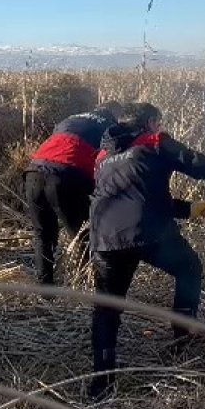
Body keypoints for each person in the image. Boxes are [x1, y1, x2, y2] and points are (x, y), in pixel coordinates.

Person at [87, 102, 205, 401]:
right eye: (158, 122)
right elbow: (199, 166)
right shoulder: (155, 142)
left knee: (106, 307)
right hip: (148, 234)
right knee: (189, 268)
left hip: (105, 236)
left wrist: (189, 209)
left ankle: (100, 383)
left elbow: (139, 196)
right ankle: (184, 336)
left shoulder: (104, 157)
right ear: (152, 122)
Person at [22, 101, 123, 284]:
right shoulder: (111, 127)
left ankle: (44, 289)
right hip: (66, 176)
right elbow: (112, 164)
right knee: (85, 232)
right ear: (116, 115)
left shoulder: (70, 119)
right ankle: (92, 285)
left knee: (43, 234)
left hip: (34, 172)